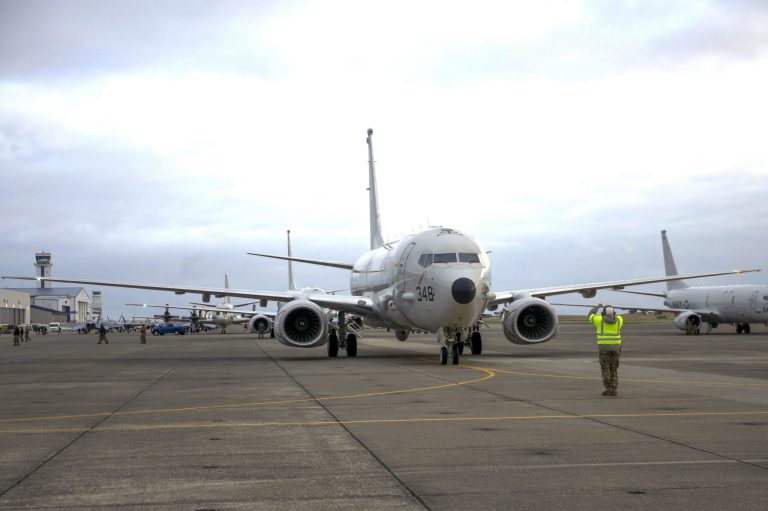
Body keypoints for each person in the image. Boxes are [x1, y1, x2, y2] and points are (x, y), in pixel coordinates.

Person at [588, 303, 623, 397]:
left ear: (603, 313)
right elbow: (617, 316)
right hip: (616, 348)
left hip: (604, 349)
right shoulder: (619, 320)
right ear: (614, 313)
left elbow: (590, 315)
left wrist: (597, 307)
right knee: (614, 368)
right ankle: (614, 389)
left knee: (605, 368)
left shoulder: (599, 320)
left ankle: (608, 389)